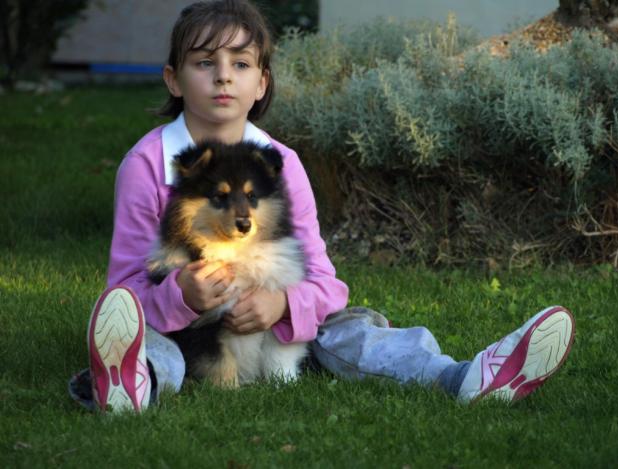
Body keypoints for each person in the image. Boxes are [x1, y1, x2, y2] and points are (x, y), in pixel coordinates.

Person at [69, 0, 575, 413]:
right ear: (174, 80)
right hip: (185, 326)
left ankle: (460, 376)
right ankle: (131, 382)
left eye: (240, 64)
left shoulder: (281, 165)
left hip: (278, 325)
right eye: (205, 63)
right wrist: (181, 295)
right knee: (153, 342)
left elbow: (324, 283)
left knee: (353, 330)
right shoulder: (147, 164)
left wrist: (284, 305)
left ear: (261, 83)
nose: (224, 77)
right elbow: (125, 292)